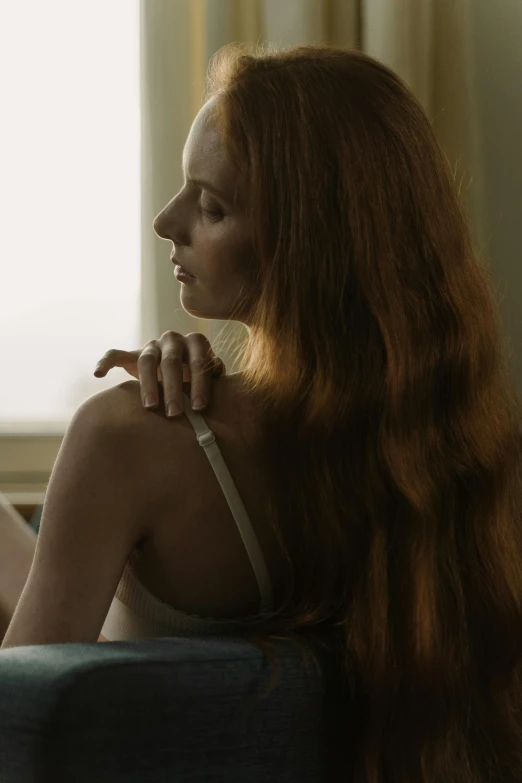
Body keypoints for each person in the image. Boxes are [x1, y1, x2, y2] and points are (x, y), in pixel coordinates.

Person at [3, 41, 522, 781]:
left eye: (211, 207)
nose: (165, 221)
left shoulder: (126, 441)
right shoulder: (464, 467)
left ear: (308, 249)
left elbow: (18, 725)